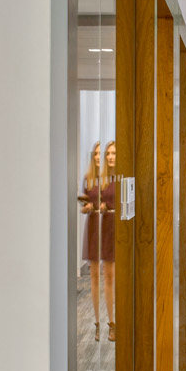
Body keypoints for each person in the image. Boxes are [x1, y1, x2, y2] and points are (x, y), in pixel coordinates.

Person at [79, 140, 117, 341]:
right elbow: (87, 202)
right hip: (94, 228)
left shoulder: (112, 179)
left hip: (109, 228)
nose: (107, 157)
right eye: (102, 154)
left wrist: (105, 207)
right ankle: (97, 323)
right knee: (94, 275)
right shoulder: (90, 179)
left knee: (109, 275)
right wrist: (88, 208)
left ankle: (112, 323)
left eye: (111, 153)